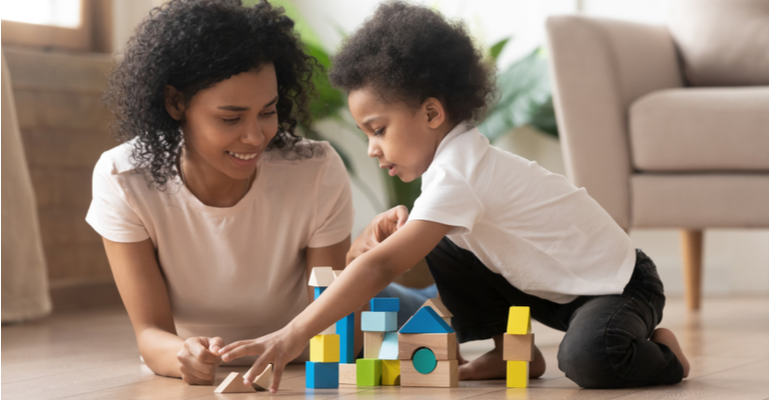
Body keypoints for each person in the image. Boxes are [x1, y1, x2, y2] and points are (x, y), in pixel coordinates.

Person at [219, 1, 691, 392]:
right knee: (441, 237)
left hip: (619, 288)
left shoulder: (460, 173)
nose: (371, 148)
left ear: (431, 113)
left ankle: (665, 354)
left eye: (378, 130)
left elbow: (383, 267)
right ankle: (510, 353)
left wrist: (292, 332)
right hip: (550, 289)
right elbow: (395, 256)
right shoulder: (455, 167)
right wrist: (374, 244)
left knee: (589, 359)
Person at [87, 0, 432, 386]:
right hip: (276, 347)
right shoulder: (125, 178)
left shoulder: (312, 169)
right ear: (175, 102)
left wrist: (355, 259)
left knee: (441, 309)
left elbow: (333, 321)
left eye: (267, 111)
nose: (255, 137)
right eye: (230, 118)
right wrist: (182, 355)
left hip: (332, 328)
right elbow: (150, 333)